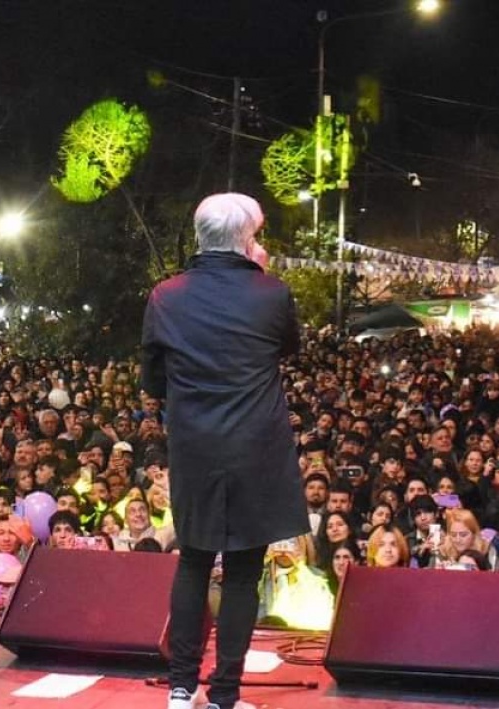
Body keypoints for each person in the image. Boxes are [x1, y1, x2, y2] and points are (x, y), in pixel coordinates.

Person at [142, 193, 308, 709]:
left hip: (194, 446)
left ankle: (180, 688)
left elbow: (154, 381)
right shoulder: (272, 293)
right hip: (255, 445)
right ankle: (224, 696)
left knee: (192, 561)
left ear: (199, 235)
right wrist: (258, 277)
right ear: (248, 238)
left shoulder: (165, 295)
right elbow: (288, 348)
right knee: (242, 570)